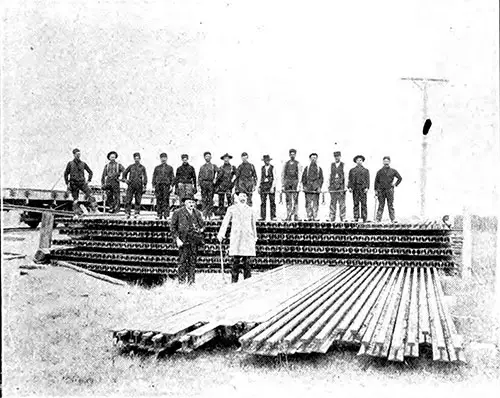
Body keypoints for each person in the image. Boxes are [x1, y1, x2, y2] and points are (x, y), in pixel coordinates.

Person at [217, 192, 258, 283]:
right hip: (237, 237)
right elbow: (225, 222)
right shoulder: (231, 209)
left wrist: (255, 236)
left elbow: (253, 224)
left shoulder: (250, 210)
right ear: (237, 197)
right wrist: (221, 234)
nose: (243, 198)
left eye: (244, 196)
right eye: (241, 196)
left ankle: (247, 282)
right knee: (235, 261)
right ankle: (234, 281)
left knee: (247, 262)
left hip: (247, 237)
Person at [171, 195, 205, 284]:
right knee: (182, 261)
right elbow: (173, 227)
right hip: (183, 240)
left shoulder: (197, 213)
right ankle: (181, 281)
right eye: (189, 202)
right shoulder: (178, 212)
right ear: (185, 203)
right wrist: (177, 239)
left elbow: (203, 225)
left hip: (194, 240)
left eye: (193, 202)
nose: (191, 204)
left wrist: (200, 230)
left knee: (192, 262)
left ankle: (191, 281)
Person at [64, 148, 97, 214]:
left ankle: (94, 210)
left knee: (91, 195)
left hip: (82, 183)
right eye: (77, 154)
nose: (78, 155)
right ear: (74, 155)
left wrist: (88, 180)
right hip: (73, 184)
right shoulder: (70, 164)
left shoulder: (83, 163)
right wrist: (67, 183)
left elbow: (90, 172)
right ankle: (76, 213)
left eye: (79, 154)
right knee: (75, 199)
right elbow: (66, 174)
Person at [374, 156, 402, 222]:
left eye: (387, 161)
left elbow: (400, 178)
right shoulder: (379, 171)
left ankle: (393, 219)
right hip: (381, 190)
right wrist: (376, 190)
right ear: (383, 162)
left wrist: (395, 184)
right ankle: (378, 219)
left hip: (390, 190)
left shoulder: (393, 171)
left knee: (390, 205)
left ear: (389, 162)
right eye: (385, 161)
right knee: (381, 205)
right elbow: (376, 182)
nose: (386, 162)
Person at [122, 152, 148, 218]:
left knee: (138, 200)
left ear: (140, 159)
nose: (137, 160)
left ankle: (137, 213)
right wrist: (125, 180)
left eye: (138, 158)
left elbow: (145, 177)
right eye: (135, 158)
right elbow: (124, 173)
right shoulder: (131, 166)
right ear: (134, 159)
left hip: (139, 185)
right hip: (131, 185)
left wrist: (145, 185)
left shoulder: (142, 167)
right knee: (128, 199)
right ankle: (127, 213)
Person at [281, 149, 302, 221]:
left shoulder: (298, 164)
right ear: (289, 155)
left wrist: (299, 185)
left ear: (295, 155)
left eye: (294, 154)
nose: (292, 155)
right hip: (287, 183)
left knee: (295, 200)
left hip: (295, 183)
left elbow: (299, 174)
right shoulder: (286, 164)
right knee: (288, 200)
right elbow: (283, 174)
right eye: (291, 154)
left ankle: (296, 215)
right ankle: (288, 215)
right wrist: (283, 185)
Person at [301, 153, 324, 221]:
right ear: (310, 159)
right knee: (308, 202)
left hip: (316, 187)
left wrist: (319, 187)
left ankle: (315, 216)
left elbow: (321, 178)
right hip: (308, 187)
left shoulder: (319, 168)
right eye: (312, 158)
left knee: (315, 202)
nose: (313, 159)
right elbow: (304, 178)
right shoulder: (307, 168)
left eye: (315, 158)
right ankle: (309, 216)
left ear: (317, 159)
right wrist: (304, 186)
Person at [152, 153, 174, 220]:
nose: (163, 159)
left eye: (164, 158)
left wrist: (172, 185)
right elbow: (154, 177)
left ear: (166, 158)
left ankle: (166, 215)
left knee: (166, 200)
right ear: (160, 159)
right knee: (159, 200)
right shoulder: (157, 168)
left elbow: (172, 177)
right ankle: (159, 214)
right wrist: (153, 185)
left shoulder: (170, 168)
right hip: (158, 185)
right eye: (162, 158)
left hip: (166, 185)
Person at [348, 155, 370, 222]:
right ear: (355, 161)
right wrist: (350, 187)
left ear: (362, 161)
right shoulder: (352, 170)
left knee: (364, 203)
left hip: (363, 189)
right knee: (356, 203)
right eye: (357, 160)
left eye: (360, 160)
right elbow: (350, 180)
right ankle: (356, 217)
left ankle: (364, 218)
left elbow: (367, 180)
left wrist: (367, 187)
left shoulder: (366, 170)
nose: (359, 161)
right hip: (355, 188)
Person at [198, 151, 218, 219]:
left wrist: (215, 179)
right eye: (206, 156)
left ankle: (210, 214)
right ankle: (204, 214)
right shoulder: (202, 167)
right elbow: (199, 176)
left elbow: (219, 173)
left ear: (211, 157)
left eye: (209, 156)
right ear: (204, 158)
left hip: (210, 184)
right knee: (204, 199)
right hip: (203, 184)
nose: (207, 158)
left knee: (210, 199)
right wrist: (200, 184)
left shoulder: (213, 166)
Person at [328, 151, 346, 222]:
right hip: (333, 186)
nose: (336, 158)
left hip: (341, 186)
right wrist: (328, 186)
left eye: (338, 156)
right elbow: (329, 176)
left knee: (342, 203)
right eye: (335, 156)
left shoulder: (343, 165)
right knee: (333, 202)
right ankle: (332, 217)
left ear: (340, 157)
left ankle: (343, 217)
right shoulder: (331, 165)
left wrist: (345, 186)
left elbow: (345, 176)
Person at [259, 155, 276, 221]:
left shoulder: (273, 168)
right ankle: (263, 217)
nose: (266, 162)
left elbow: (275, 178)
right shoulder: (262, 168)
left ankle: (273, 216)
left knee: (272, 201)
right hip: (263, 185)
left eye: (268, 160)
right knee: (263, 201)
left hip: (270, 185)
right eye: (265, 160)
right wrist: (259, 187)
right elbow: (261, 177)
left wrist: (272, 187)